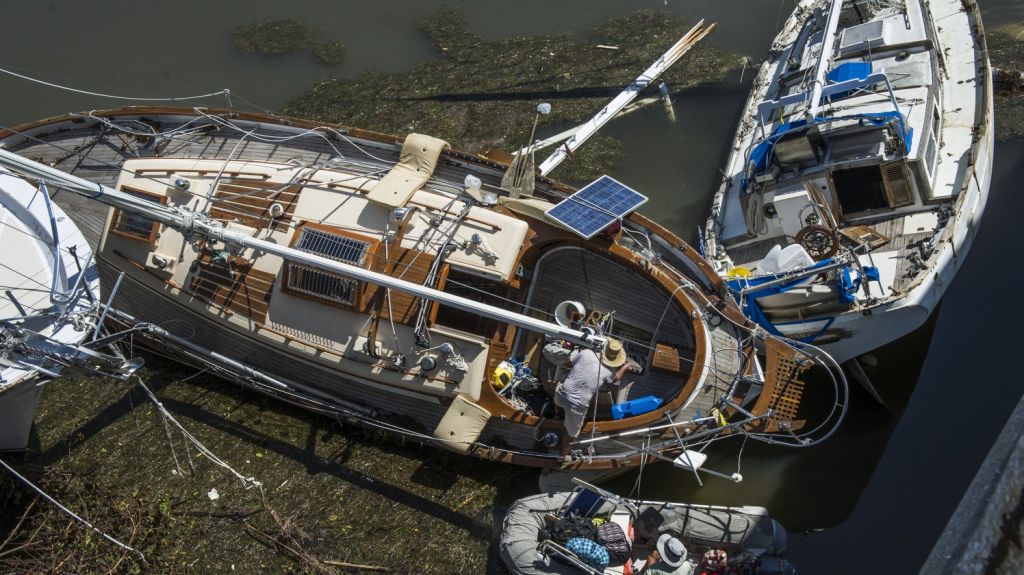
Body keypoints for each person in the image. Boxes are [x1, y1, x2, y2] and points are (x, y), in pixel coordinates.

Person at [546, 338, 639, 459]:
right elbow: (616, 379)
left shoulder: (586, 353)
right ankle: (562, 458)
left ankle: (558, 414)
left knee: (559, 388)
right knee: (572, 435)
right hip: (577, 406)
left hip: (560, 396)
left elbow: (568, 361)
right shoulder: (610, 371)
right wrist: (625, 367)